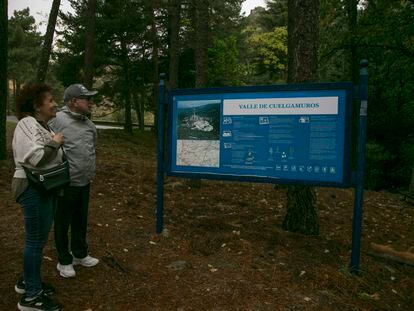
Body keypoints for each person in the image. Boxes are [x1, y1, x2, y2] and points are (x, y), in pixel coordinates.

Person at [12, 83, 63, 311]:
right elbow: (34, 157)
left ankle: (27, 281)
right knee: (34, 241)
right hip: (32, 187)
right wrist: (55, 143)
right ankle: (32, 297)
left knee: (39, 240)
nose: (55, 104)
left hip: (45, 187)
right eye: (50, 100)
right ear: (37, 105)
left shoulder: (43, 124)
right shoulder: (27, 122)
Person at [49, 84, 99, 278]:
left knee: (80, 219)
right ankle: (64, 260)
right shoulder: (57, 120)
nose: (90, 102)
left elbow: (93, 146)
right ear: (73, 102)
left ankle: (79, 254)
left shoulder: (88, 123)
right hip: (64, 183)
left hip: (84, 181)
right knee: (62, 221)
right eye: (86, 98)